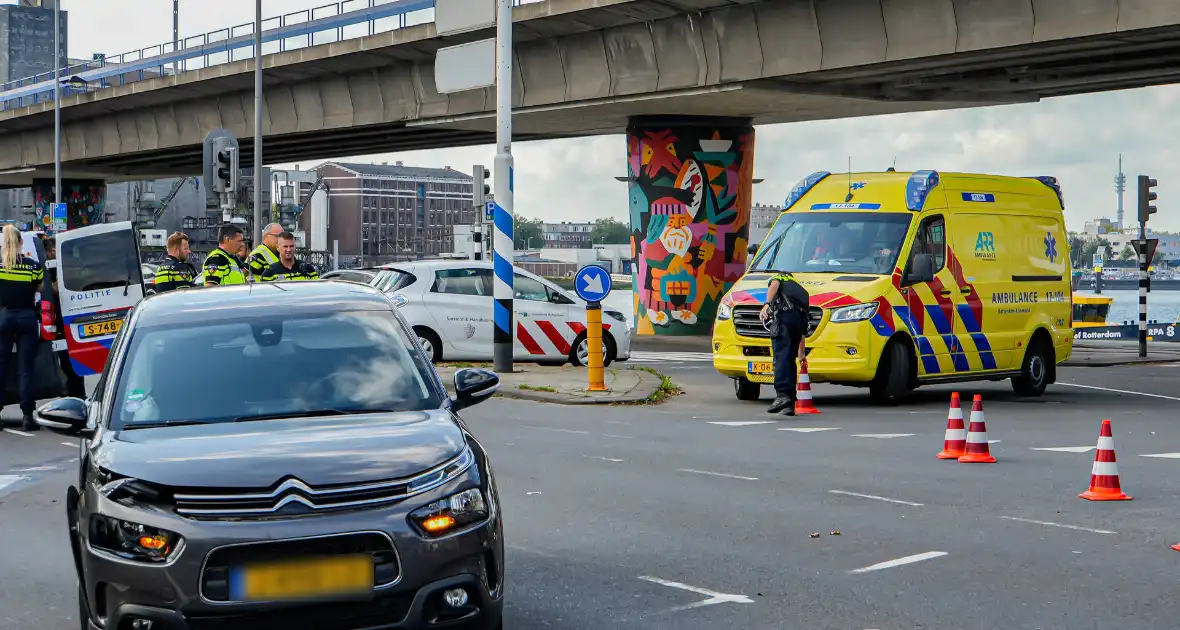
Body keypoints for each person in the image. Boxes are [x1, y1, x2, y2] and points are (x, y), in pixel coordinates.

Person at [0, 225, 45, 430]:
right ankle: (27, 416)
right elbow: (40, 288)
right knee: (25, 368)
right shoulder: (33, 266)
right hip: (27, 317)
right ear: (20, 242)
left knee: (1, 366)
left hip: (4, 317)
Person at [40, 235, 86, 400]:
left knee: (69, 360)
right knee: (63, 361)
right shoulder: (53, 265)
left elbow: (55, 288)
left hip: (65, 318)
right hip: (56, 319)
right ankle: (71, 393)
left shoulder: (62, 266)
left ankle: (77, 396)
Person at [759, 270, 810, 415]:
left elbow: (774, 284)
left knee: (781, 358)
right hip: (798, 326)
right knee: (790, 360)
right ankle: (789, 404)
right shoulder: (802, 293)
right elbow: (803, 329)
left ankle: (782, 395)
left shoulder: (780, 279)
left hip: (784, 322)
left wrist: (767, 304)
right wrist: (801, 354)